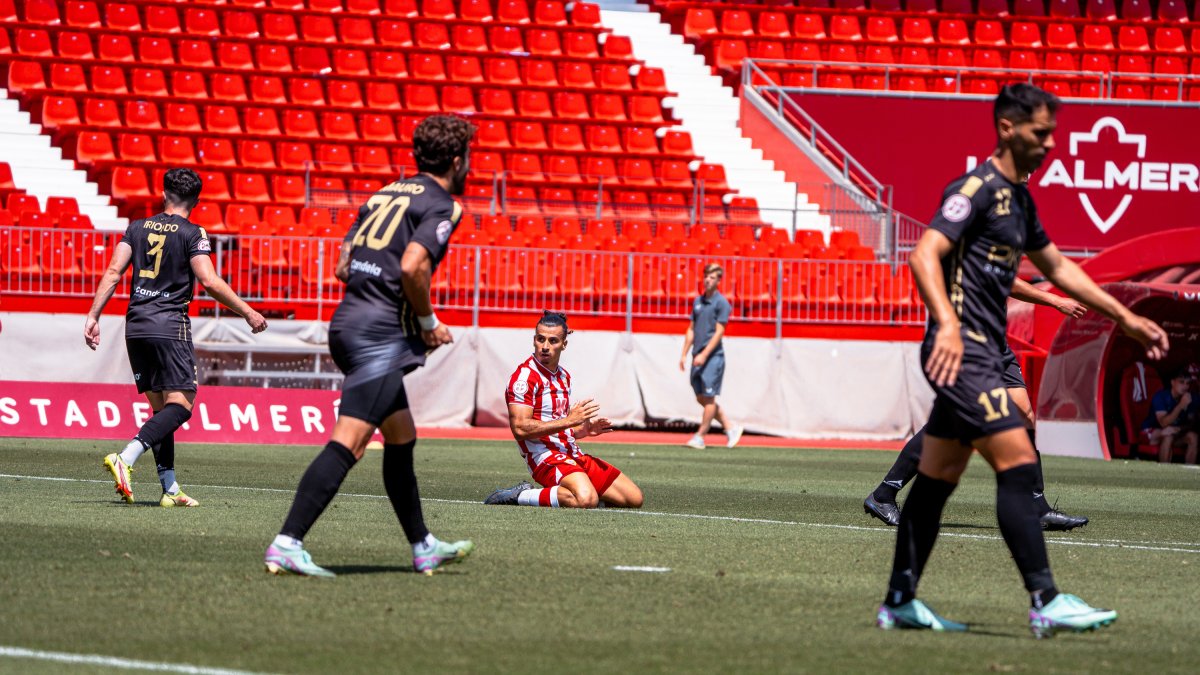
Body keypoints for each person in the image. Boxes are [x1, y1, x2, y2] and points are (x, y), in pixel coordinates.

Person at [878, 84, 1168, 638]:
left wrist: (1122, 316)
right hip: (965, 352)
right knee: (1017, 459)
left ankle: (899, 600)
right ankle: (1046, 599)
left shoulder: (1022, 200)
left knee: (937, 479)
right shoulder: (975, 190)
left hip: (983, 351)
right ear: (1008, 128)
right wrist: (945, 323)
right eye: (1041, 132)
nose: (1051, 144)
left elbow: (1059, 267)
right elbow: (923, 254)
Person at [263, 115, 477, 578]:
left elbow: (342, 265)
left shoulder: (384, 193)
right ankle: (286, 542)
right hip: (380, 337)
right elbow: (413, 266)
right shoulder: (444, 203)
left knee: (401, 436)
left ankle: (423, 545)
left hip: (348, 322)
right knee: (351, 442)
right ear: (458, 161)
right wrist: (426, 322)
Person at [86, 168, 268, 507]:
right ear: (196, 201)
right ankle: (125, 458)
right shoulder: (193, 232)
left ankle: (170, 489)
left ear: (164, 194)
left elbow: (113, 271)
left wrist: (94, 315)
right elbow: (209, 280)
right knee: (182, 406)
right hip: (170, 326)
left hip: (136, 325)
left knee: (162, 413)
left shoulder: (137, 227)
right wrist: (247, 311)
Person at [864, 278, 1090, 531]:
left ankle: (1037, 506)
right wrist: (1056, 300)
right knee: (949, 422)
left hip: (996, 347)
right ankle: (884, 494)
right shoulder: (973, 245)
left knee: (1024, 415)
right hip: (968, 345)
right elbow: (1008, 283)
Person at [484, 311, 644, 509]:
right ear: (534, 340)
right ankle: (522, 495)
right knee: (585, 499)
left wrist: (581, 431)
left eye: (553, 341)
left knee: (633, 499)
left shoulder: (563, 376)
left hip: (571, 452)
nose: (545, 346)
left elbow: (555, 425)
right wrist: (570, 421)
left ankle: (579, 496)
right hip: (543, 456)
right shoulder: (524, 378)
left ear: (564, 344)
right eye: (541, 339)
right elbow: (520, 428)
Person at [679, 263, 743, 449]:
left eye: (712, 277)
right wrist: (684, 354)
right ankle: (730, 427)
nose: (708, 279)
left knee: (709, 397)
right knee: (701, 397)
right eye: (706, 276)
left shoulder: (721, 303)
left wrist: (705, 355)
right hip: (697, 355)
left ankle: (700, 436)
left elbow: (719, 332)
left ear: (718, 280)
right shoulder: (698, 301)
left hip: (712, 357)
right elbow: (691, 329)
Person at [1141, 367, 1198, 464]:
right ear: (1172, 382)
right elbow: (1163, 423)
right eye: (1181, 382)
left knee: (1193, 436)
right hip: (1151, 431)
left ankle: (1190, 473)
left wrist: (1179, 429)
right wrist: (1181, 405)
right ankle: (1165, 471)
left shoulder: (1190, 398)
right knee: (1168, 435)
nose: (1185, 386)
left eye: (1188, 383)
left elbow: (1191, 423)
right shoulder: (1161, 396)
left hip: (1174, 431)